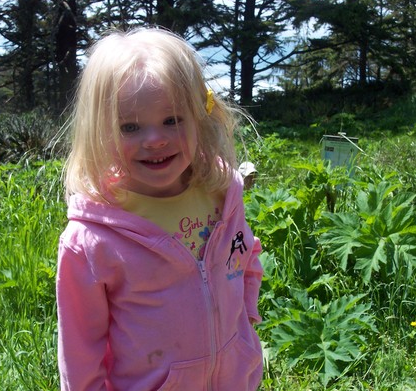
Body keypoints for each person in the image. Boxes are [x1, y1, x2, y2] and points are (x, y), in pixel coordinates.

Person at [56, 27, 264, 391]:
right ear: (102, 130)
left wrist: (246, 319)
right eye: (131, 126)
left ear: (200, 116)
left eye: (172, 120)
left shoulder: (221, 194)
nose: (155, 139)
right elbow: (79, 348)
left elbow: (244, 253)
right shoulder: (92, 239)